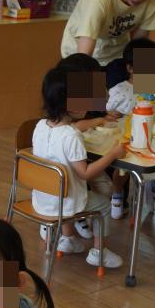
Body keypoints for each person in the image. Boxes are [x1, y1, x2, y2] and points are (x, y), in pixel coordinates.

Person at [32, 66, 127, 269]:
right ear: (72, 107)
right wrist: (112, 154)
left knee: (67, 188)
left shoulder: (40, 126)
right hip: (65, 203)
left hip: (44, 199)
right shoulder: (71, 136)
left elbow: (74, 128)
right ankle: (99, 253)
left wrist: (97, 120)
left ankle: (68, 240)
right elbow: (85, 173)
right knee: (103, 205)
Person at [103, 38, 155, 219]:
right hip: (125, 138)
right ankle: (117, 193)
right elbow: (109, 114)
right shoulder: (119, 90)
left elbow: (154, 109)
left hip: (149, 135)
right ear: (130, 68)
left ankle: (154, 186)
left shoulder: (150, 87)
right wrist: (114, 115)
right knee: (125, 167)